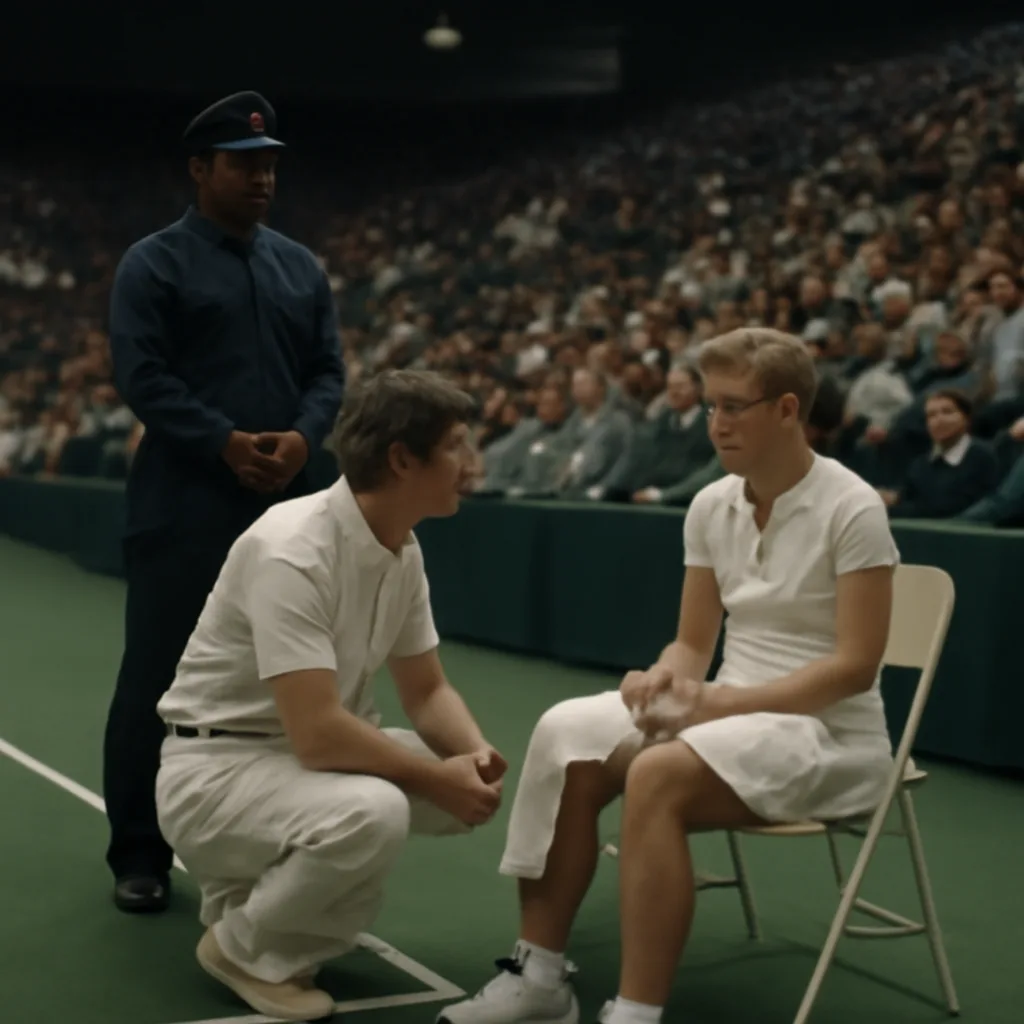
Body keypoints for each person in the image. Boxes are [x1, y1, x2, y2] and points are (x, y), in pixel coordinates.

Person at [439, 328, 900, 1024]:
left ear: (785, 410)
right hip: (729, 715)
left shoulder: (854, 506)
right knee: (567, 733)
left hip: (829, 734)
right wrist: (661, 679)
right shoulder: (712, 504)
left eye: (733, 406)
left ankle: (637, 1012)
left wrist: (712, 701)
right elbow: (691, 643)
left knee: (655, 775)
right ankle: (539, 977)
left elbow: (855, 668)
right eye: (711, 405)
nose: (715, 422)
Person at [154, 369, 506, 1023]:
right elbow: (318, 733)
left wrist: (474, 757)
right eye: (458, 444)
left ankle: (256, 905)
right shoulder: (293, 549)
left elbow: (426, 690)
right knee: (373, 811)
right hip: (215, 774)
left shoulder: (401, 548)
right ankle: (242, 946)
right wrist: (436, 776)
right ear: (403, 459)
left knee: (453, 803)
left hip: (291, 762)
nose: (470, 462)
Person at [103, 90, 346, 914]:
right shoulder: (153, 263)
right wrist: (226, 442)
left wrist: (305, 440)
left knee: (293, 678)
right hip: (187, 505)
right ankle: (140, 852)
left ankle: (278, 845)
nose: (263, 177)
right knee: (159, 679)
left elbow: (328, 373)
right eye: (245, 164)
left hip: (291, 504)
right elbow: (143, 377)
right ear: (200, 169)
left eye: (270, 164)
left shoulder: (299, 266)